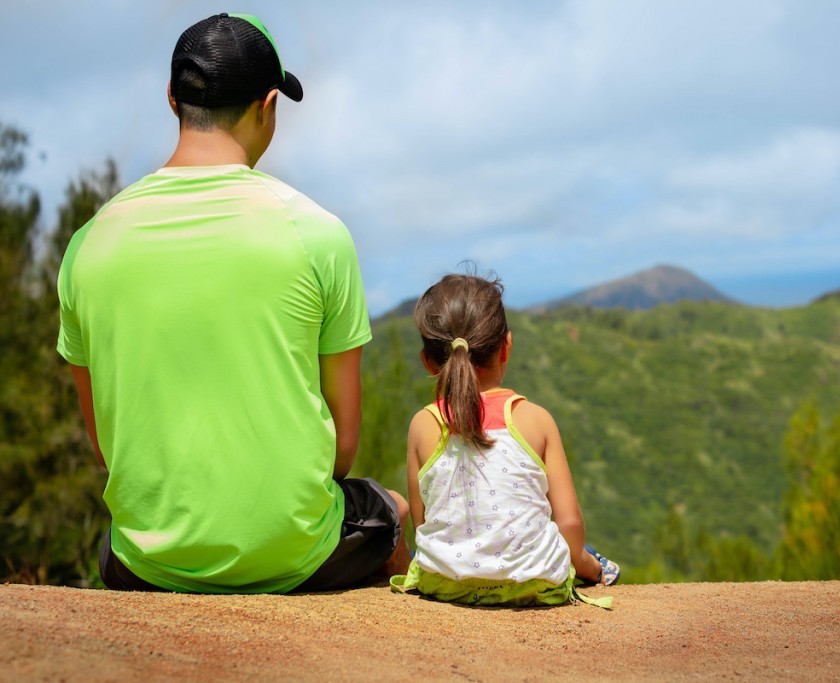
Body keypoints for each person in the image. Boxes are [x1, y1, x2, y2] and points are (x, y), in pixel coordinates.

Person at [56, 13, 410, 593]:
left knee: (114, 540)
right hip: (295, 555)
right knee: (388, 507)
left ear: (172, 100)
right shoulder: (317, 232)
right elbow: (341, 452)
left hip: (147, 564)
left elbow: (105, 447)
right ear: (268, 104)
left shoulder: (87, 243)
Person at [391, 273, 619, 607]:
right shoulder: (536, 419)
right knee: (584, 551)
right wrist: (587, 564)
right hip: (533, 583)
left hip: (445, 584)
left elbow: (424, 522)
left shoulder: (423, 423)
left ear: (428, 362)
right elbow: (569, 523)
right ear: (506, 347)